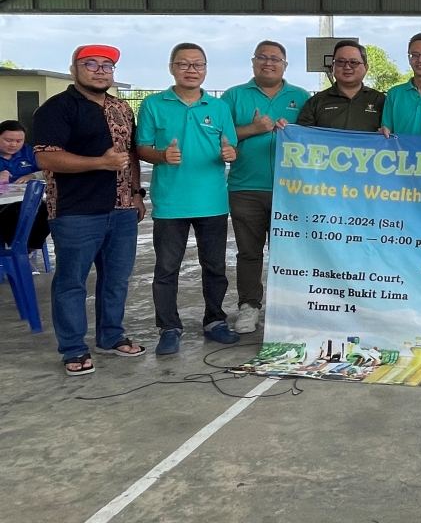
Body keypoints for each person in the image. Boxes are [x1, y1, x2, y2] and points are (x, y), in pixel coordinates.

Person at [33, 45, 146, 375]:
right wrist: (101, 162)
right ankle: (73, 348)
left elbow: (131, 154)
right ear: (74, 69)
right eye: (91, 64)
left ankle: (111, 336)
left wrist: (137, 194)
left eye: (106, 65)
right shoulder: (56, 108)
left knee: (116, 280)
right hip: (76, 211)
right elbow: (47, 158)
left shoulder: (122, 108)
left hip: (123, 209)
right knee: (71, 283)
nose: (100, 70)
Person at [136, 43, 240, 355]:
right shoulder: (154, 104)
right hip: (171, 203)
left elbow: (232, 146)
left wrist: (231, 153)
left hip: (212, 202)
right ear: (172, 68)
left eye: (198, 64)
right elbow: (140, 148)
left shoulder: (218, 107)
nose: (191, 69)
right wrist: (161, 156)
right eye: (184, 64)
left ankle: (215, 320)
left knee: (215, 267)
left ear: (206, 69)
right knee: (167, 269)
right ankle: (169, 327)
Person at [221, 41, 310, 334]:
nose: (268, 63)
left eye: (275, 58)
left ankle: (290, 308)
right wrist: (253, 129)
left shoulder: (301, 97)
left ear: (285, 64)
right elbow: (221, 139)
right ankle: (249, 307)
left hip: (291, 189)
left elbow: (314, 140)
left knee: (290, 253)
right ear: (253, 62)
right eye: (262, 57)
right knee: (249, 252)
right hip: (246, 188)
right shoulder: (234, 96)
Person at [297, 40, 385, 131]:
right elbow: (301, 136)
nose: (347, 67)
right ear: (332, 66)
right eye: (340, 62)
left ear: (366, 67)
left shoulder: (381, 101)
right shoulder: (315, 102)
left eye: (354, 62)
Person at [0, 120, 50, 251]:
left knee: (47, 211)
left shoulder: (28, 152)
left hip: (27, 200)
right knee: (11, 214)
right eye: (8, 140)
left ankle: (26, 249)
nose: (13, 145)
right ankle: (15, 252)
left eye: (18, 141)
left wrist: (32, 176)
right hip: (4, 204)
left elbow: (48, 170)